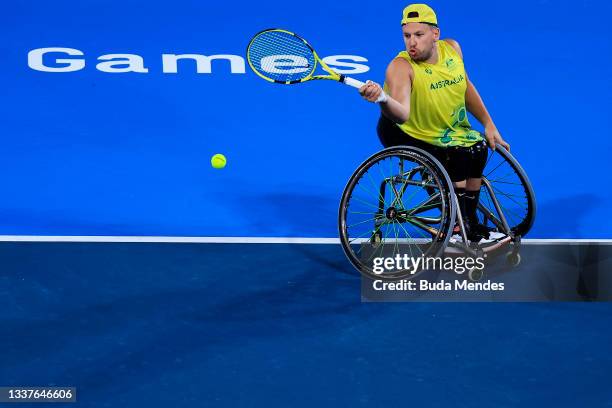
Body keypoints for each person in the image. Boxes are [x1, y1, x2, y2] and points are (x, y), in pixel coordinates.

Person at [359, 3, 508, 243]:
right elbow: (402, 114)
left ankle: (468, 219)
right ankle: (457, 225)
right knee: (458, 154)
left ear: (435, 34)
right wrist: (383, 98)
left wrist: (489, 123)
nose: (412, 43)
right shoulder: (400, 67)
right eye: (407, 36)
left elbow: (465, 87)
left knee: (478, 148)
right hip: (406, 132)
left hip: (443, 129)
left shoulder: (452, 49)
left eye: (419, 35)